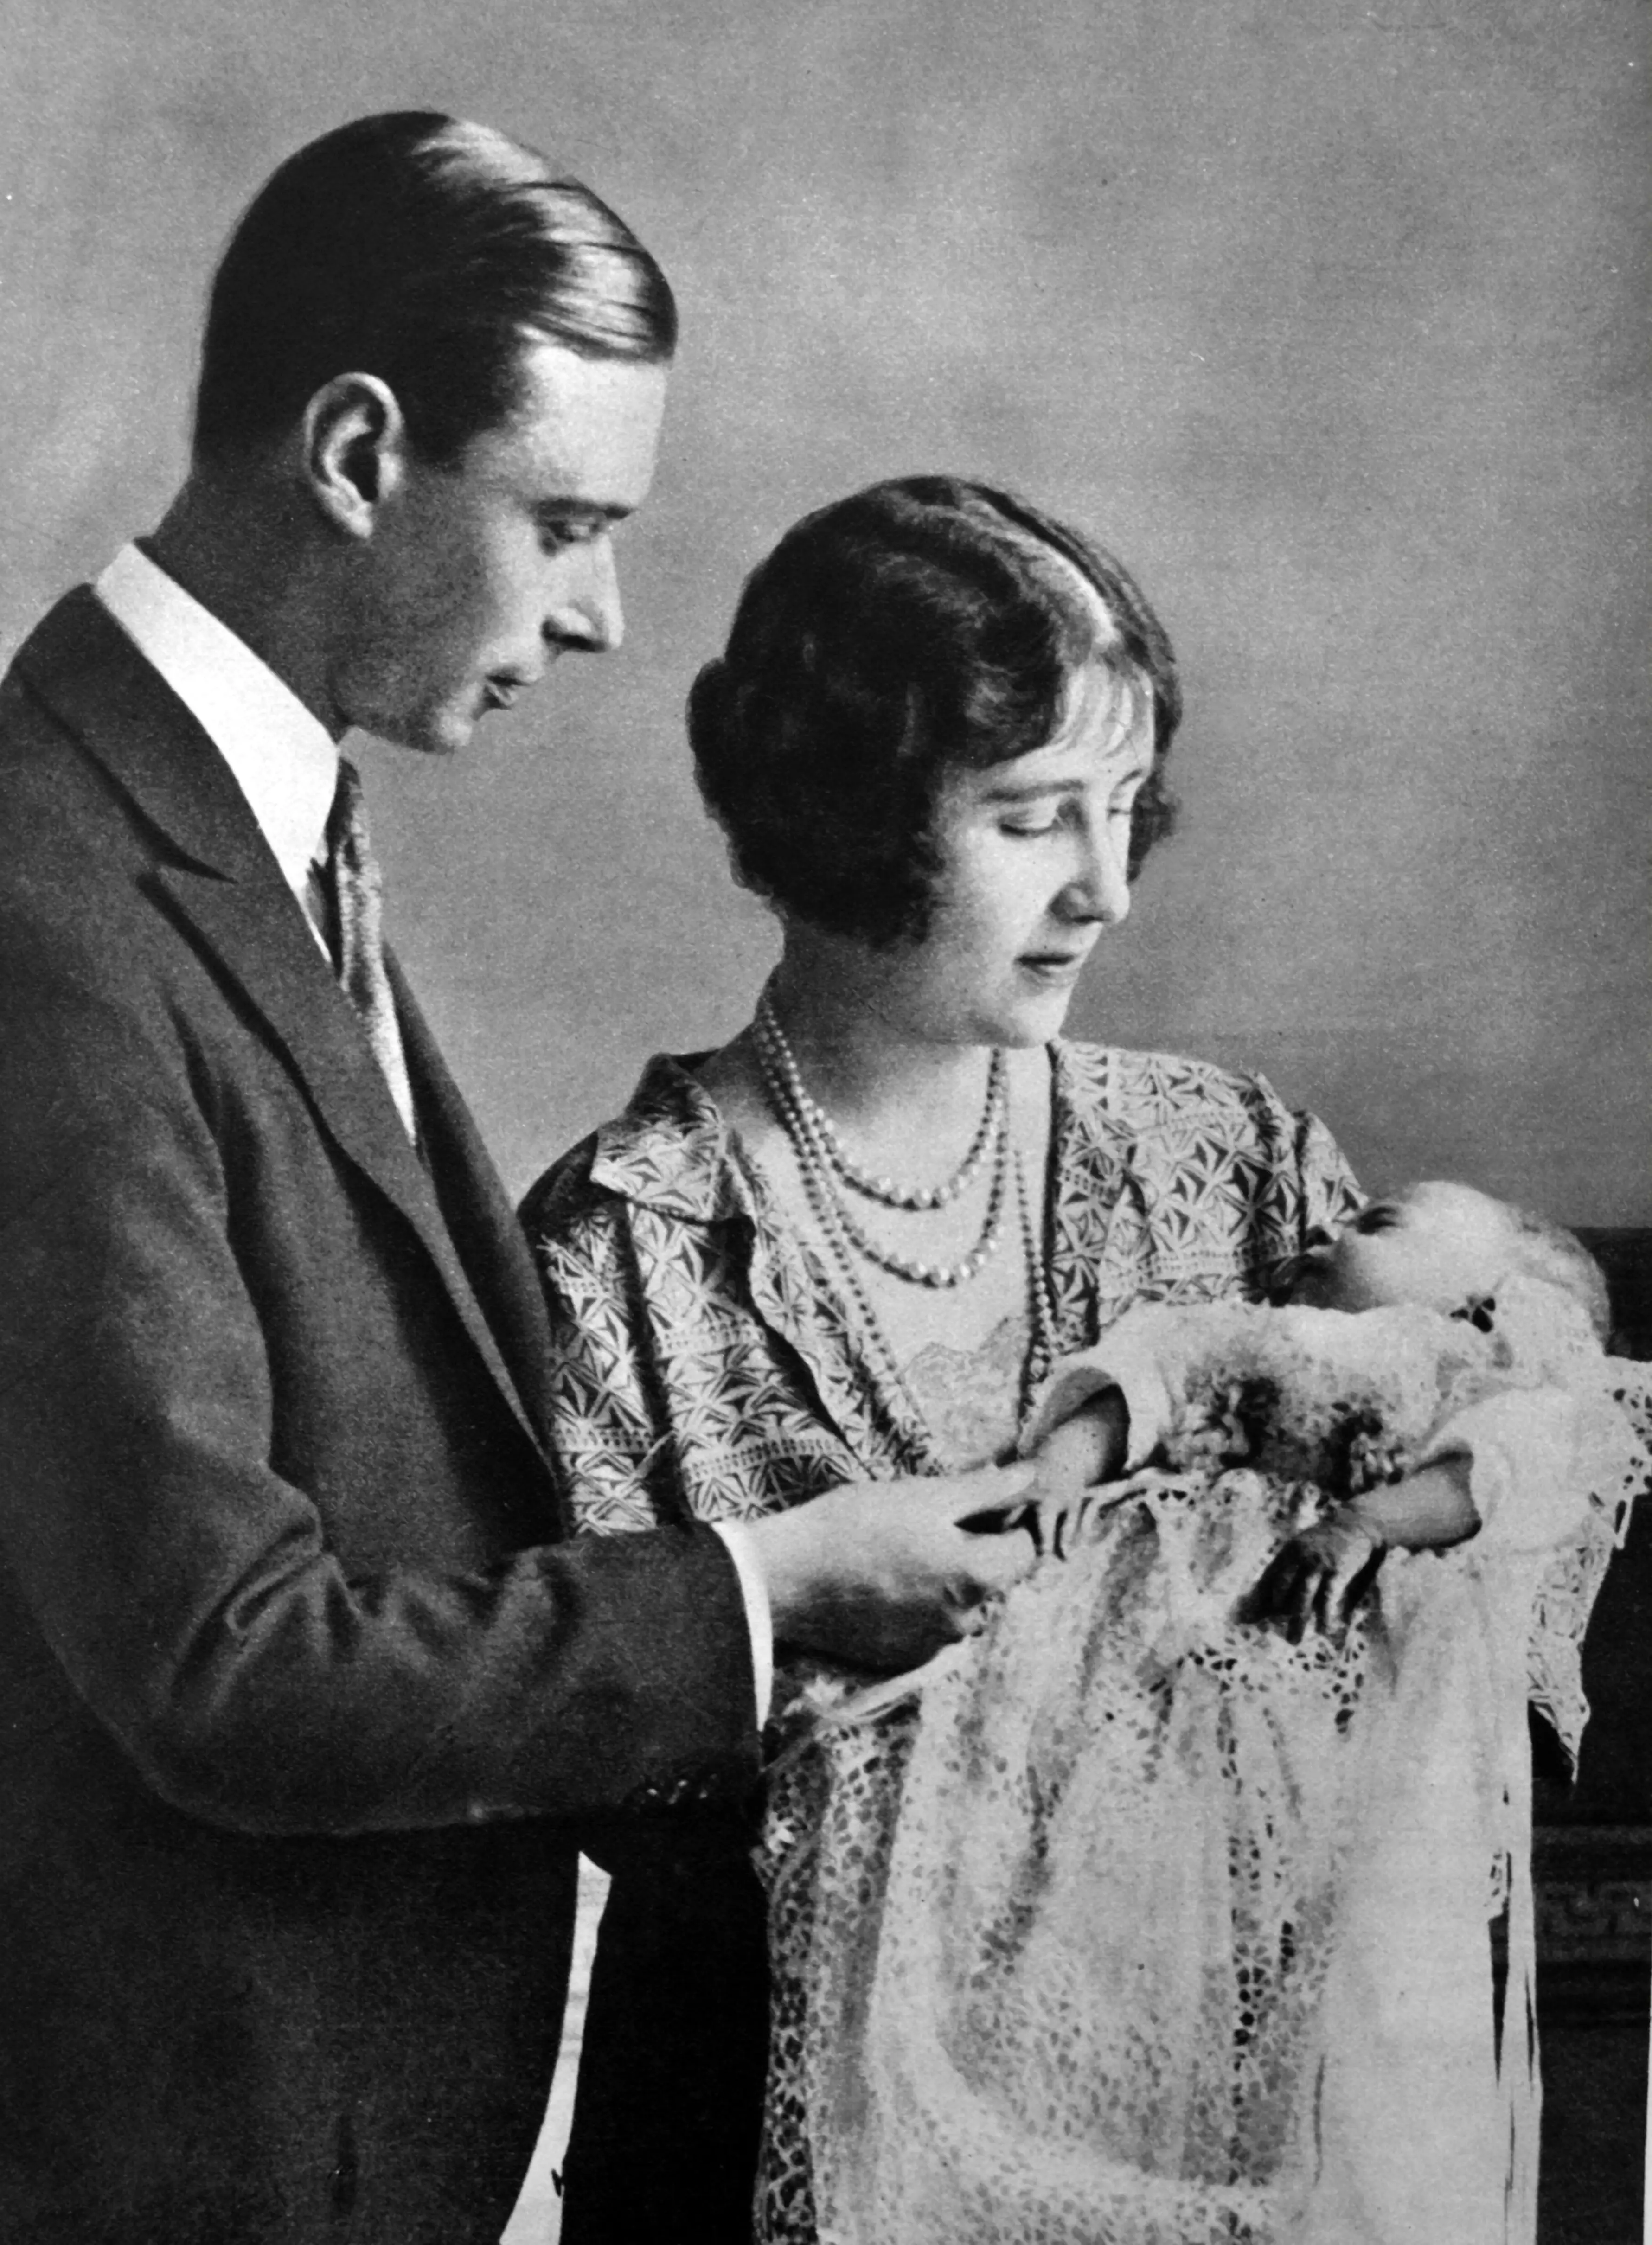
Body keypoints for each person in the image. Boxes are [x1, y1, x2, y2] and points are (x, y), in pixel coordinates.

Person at [0, 121, 1034, 2244]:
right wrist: (761, 1603)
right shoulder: (34, 912)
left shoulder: (237, 820)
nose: (603, 616)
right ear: (351, 452)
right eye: (567, 523)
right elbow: (226, 1664)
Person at [524, 474, 1368, 2241]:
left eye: (1126, 809)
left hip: (1202, 2147)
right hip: (757, 2152)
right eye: (1034, 818)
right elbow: (585, 1773)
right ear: (846, 814)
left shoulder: (1239, 1169)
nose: (1108, 887)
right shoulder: (625, 1246)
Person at [777, 1181, 1649, 2245]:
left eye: (1379, 1226)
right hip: (1132, 1627)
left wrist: (1368, 1520)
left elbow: (1495, 1472)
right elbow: (1144, 1381)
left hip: (1303, 1649)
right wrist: (1060, 1465)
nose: (1327, 1229)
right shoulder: (1248, 1329)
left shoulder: (1469, 1370)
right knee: (1050, 1825)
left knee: (1295, 1941)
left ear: (1486, 1303)